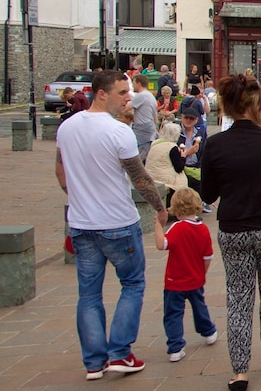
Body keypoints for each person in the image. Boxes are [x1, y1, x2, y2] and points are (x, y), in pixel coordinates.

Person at [55, 69, 168, 380]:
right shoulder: (118, 131)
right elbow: (140, 178)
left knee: (88, 294)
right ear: (101, 93)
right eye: (122, 93)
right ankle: (120, 352)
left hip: (81, 224)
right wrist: (160, 209)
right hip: (118, 221)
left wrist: (78, 196)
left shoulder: (67, 127)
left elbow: (61, 173)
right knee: (132, 284)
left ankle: (94, 361)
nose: (128, 98)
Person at [200, 74, 261, 390]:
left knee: (238, 298)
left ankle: (239, 372)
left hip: (233, 230)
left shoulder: (214, 144)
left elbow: (208, 193)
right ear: (257, 106)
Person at [152, 187, 218, 363]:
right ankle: (208, 331)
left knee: (173, 313)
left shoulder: (177, 228)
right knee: (199, 307)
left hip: (174, 281)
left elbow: (161, 244)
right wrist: (202, 273)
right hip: (195, 279)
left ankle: (175, 347)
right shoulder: (202, 229)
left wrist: (158, 226)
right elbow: (208, 256)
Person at [146, 122, 191, 212]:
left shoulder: (154, 143)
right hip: (165, 178)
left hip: (151, 175)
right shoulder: (172, 147)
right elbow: (179, 168)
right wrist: (184, 156)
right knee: (187, 181)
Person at [178, 105, 207, 197]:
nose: (188, 120)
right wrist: (187, 152)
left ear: (196, 120)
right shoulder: (176, 131)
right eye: (186, 118)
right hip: (181, 167)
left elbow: (204, 151)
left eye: (192, 118)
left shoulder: (200, 133)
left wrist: (201, 165)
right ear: (182, 118)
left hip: (195, 167)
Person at [130, 74, 157, 162]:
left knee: (139, 157)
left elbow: (124, 108)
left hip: (142, 129)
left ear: (139, 83)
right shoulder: (150, 96)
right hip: (150, 127)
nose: (132, 85)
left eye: (133, 83)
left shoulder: (140, 96)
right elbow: (155, 117)